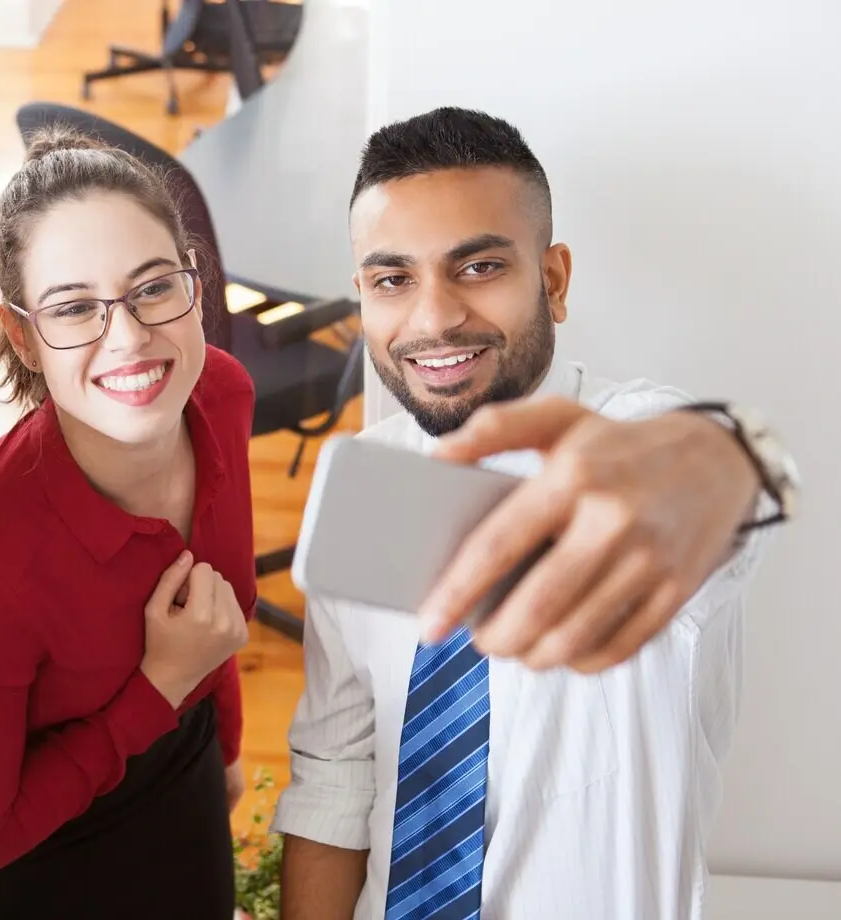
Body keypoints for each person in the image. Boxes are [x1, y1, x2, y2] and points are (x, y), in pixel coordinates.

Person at [273, 107, 799, 920]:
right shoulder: (360, 478)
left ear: (552, 278)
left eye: (478, 267)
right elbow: (336, 771)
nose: (434, 318)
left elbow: (723, 483)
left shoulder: (630, 439)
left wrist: (730, 457)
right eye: (392, 280)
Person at [0, 125, 254, 919]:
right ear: (22, 335)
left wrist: (222, 746)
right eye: (75, 307)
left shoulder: (219, 396)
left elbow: (214, 614)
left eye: (154, 287)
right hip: (15, 866)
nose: (128, 337)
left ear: (196, 282)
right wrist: (160, 685)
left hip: (168, 766)